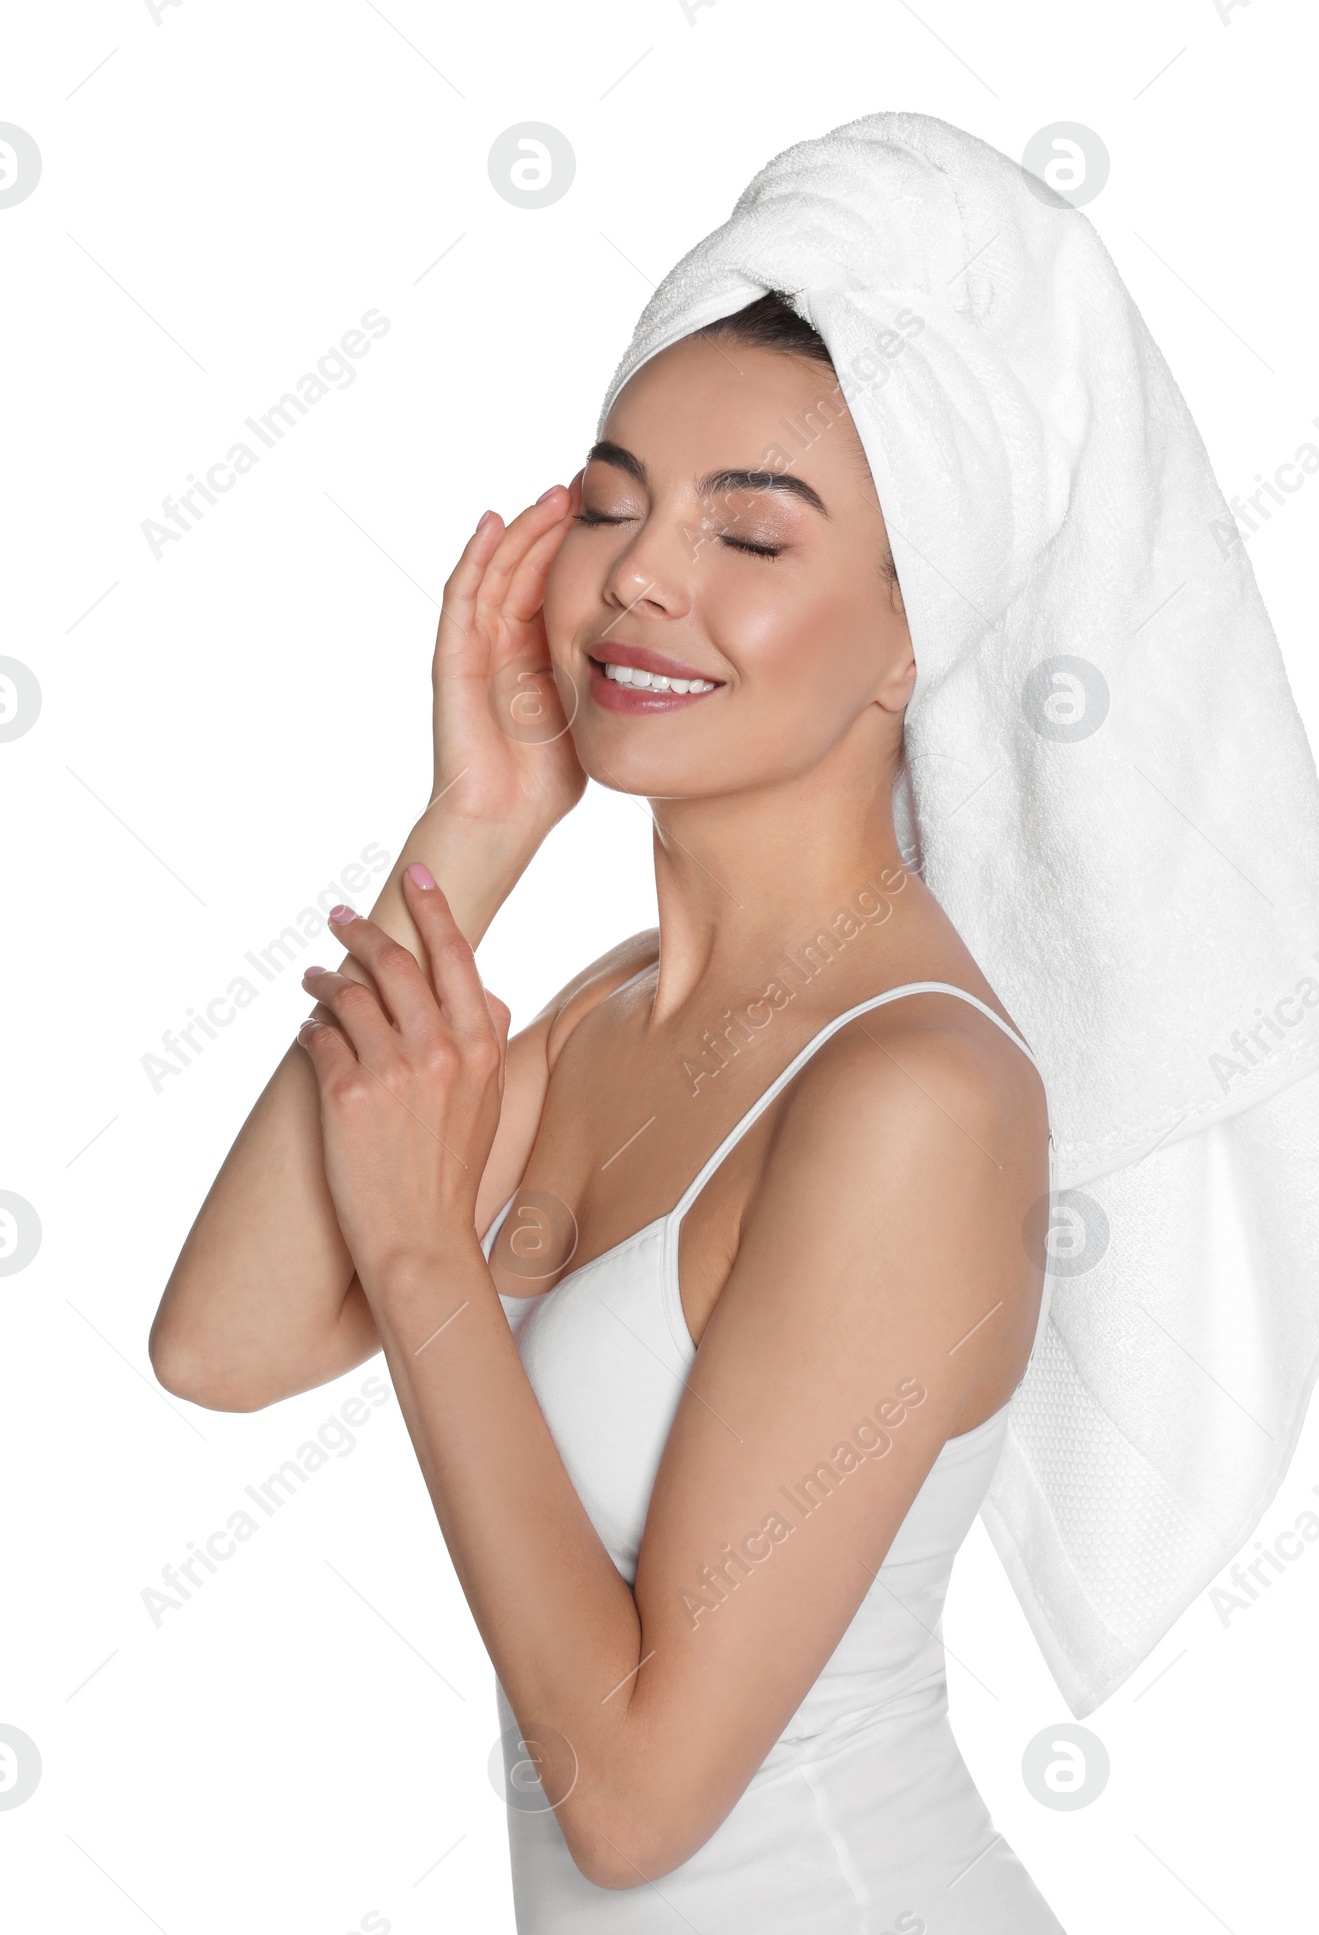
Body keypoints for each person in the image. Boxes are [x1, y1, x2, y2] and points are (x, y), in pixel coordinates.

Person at [149, 286, 1070, 1931]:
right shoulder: (599, 1018)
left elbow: (637, 1804)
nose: (643, 572)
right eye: (613, 502)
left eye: (755, 538)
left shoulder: (915, 1096)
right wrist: (480, 820)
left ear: (918, 628)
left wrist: (435, 1264)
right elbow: (222, 1343)